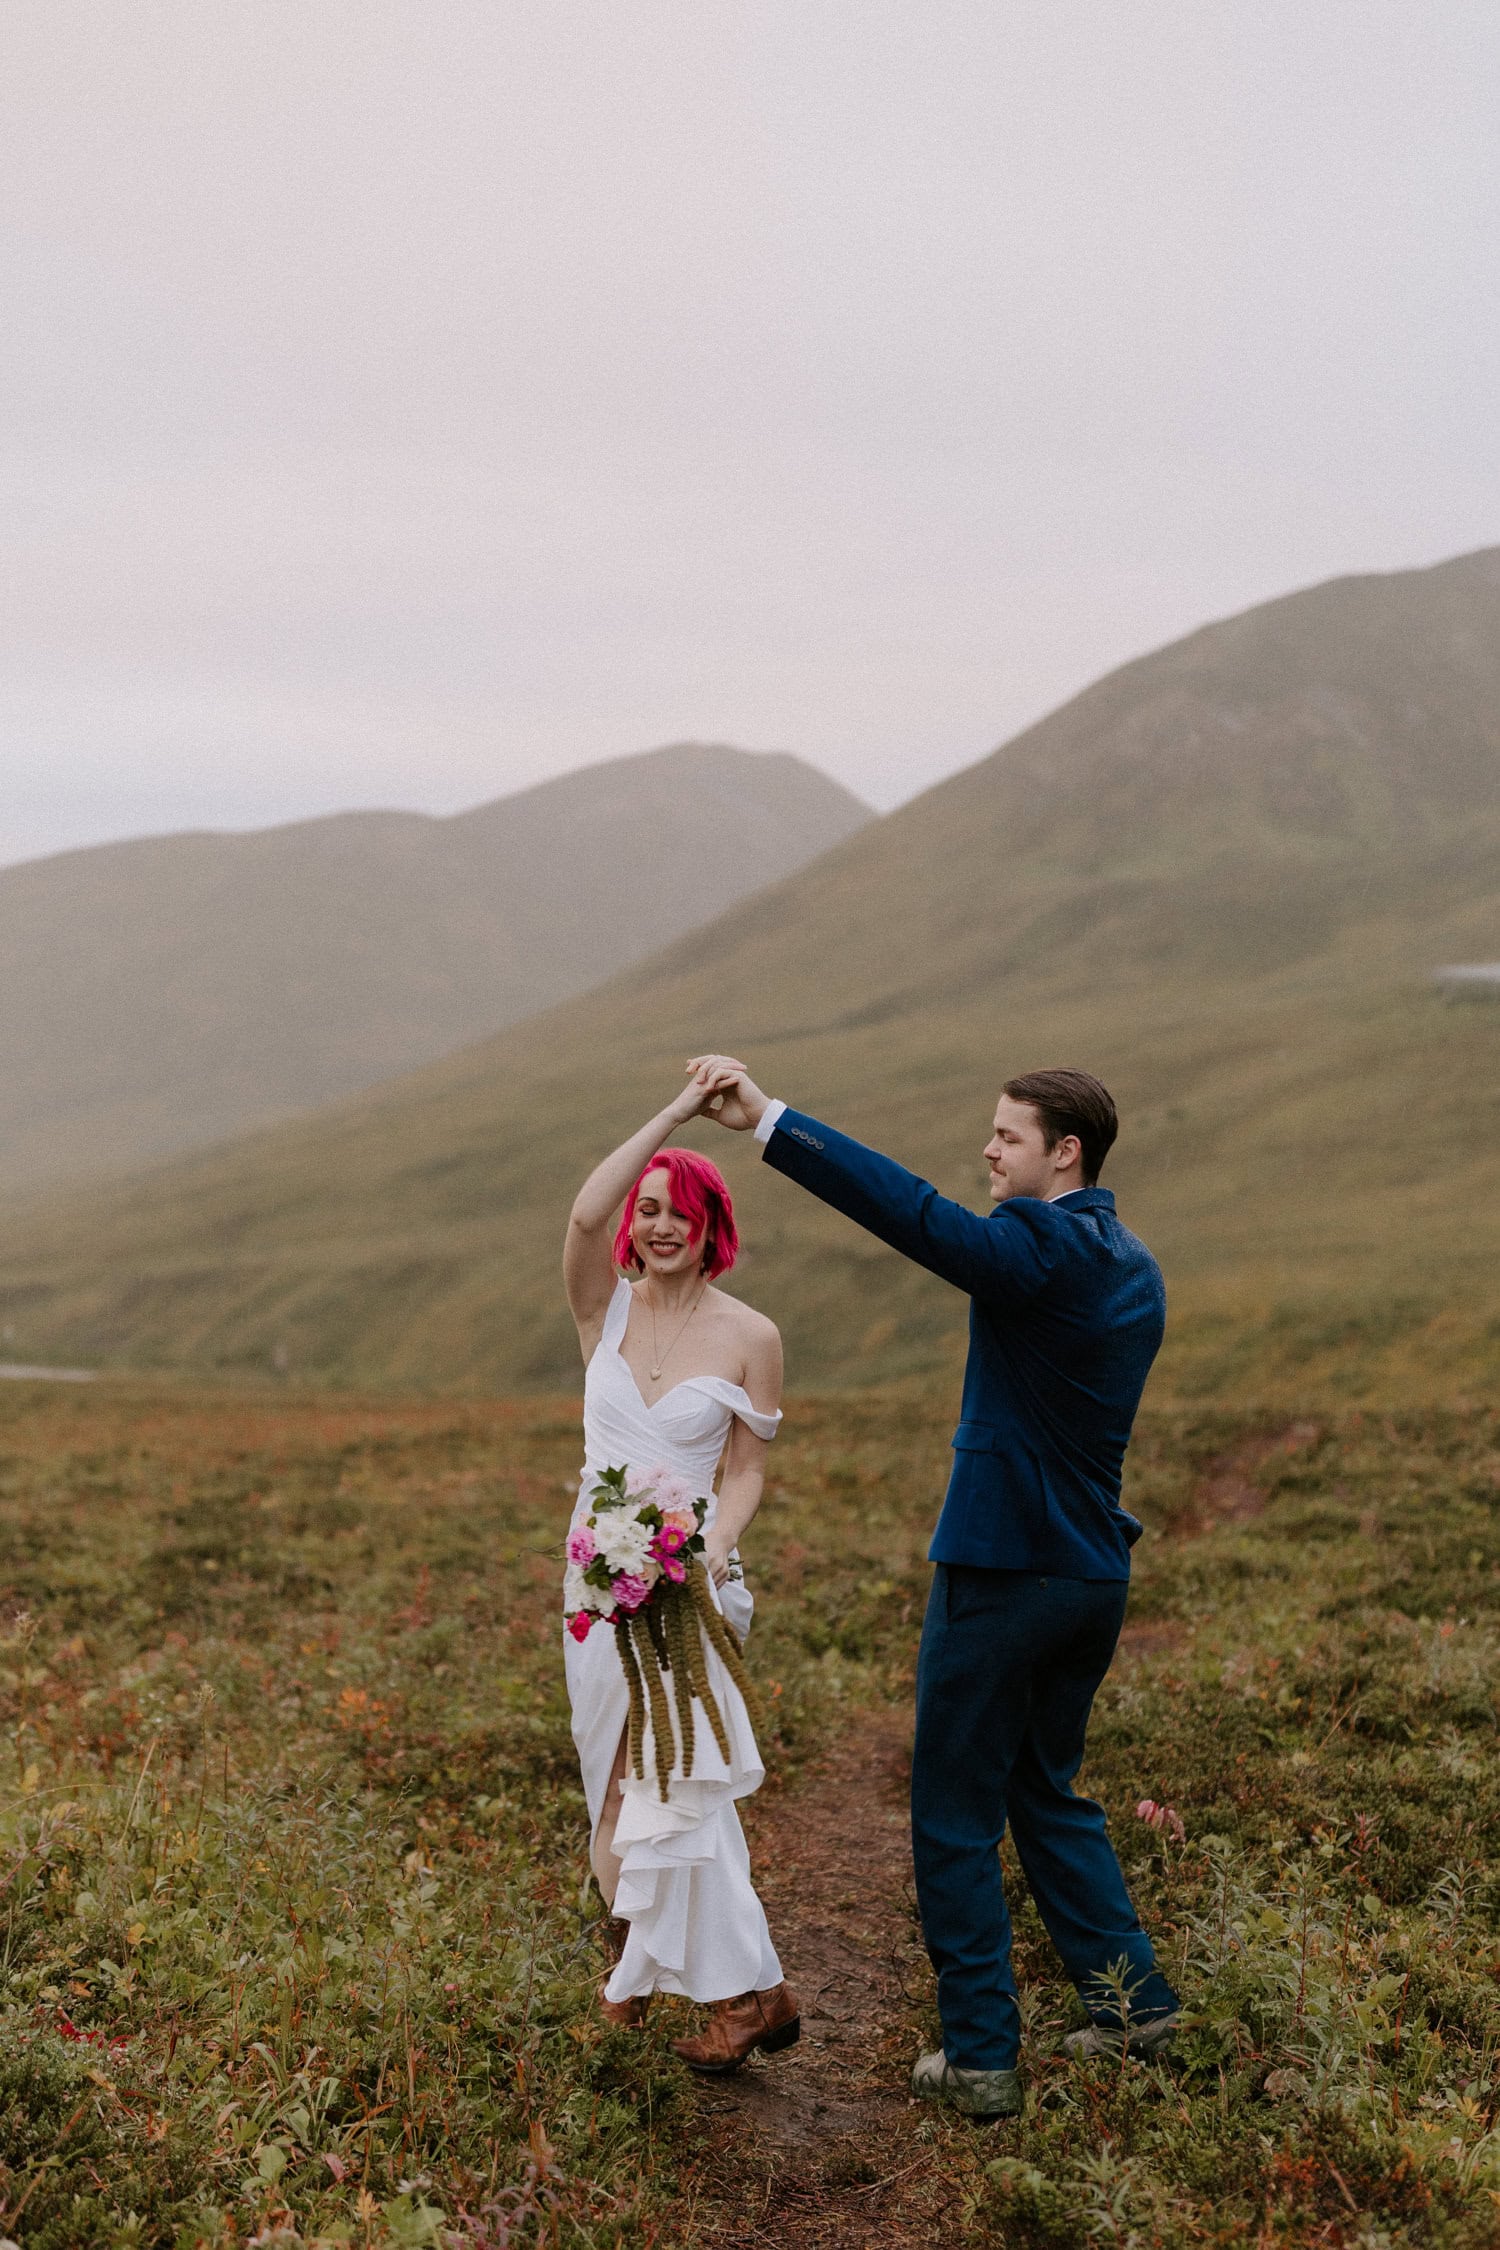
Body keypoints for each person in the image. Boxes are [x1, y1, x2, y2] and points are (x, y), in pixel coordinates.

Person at [691, 1054, 1179, 2120]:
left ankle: (979, 2058)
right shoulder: (1134, 1262)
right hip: (1092, 1574)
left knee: (952, 1814)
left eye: (1008, 1137)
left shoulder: (1035, 1243)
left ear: (1066, 1153)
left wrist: (770, 1120)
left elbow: (914, 1216)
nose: (987, 1151)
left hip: (1005, 1573)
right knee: (1046, 1791)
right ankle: (1136, 2005)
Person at [562, 1065, 800, 2073]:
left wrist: (710, 1545)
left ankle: (635, 1985)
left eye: (682, 1212)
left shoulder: (752, 1337)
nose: (661, 1226)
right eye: (650, 1210)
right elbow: (582, 1216)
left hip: (692, 1583)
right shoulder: (603, 1314)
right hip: (593, 1579)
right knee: (640, 1790)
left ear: (713, 1226)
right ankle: (755, 1991)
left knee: (645, 1795)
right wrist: (671, 1115)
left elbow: (745, 1472)